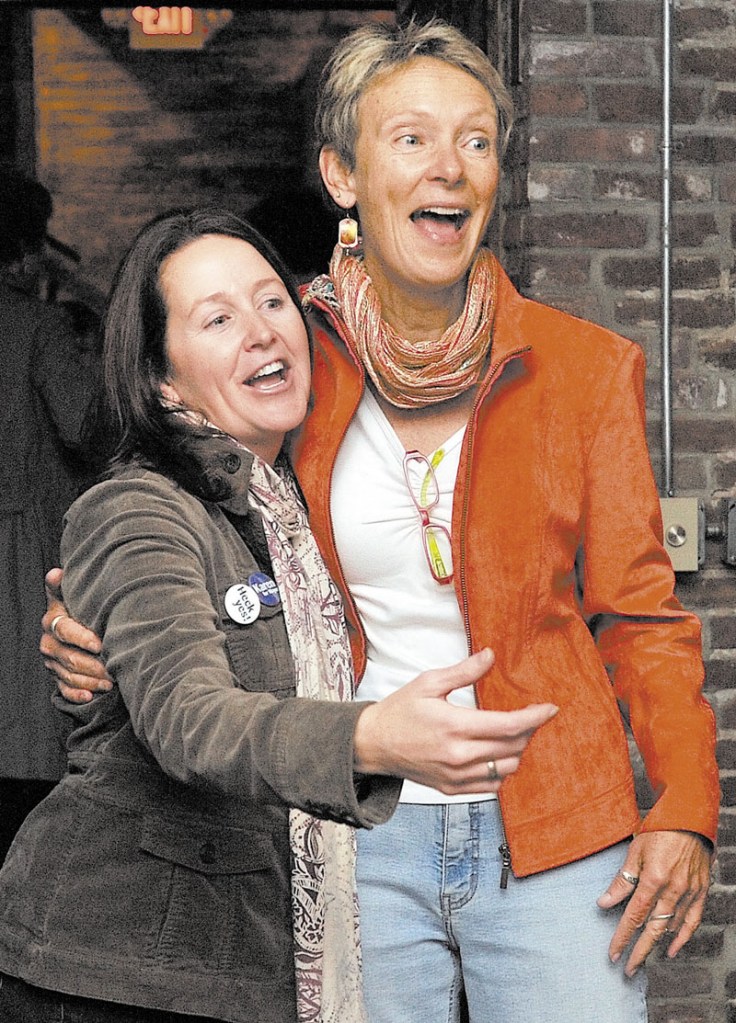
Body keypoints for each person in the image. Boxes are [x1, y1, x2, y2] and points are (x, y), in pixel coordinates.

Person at [42, 19, 720, 1023]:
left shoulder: (583, 371)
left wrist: (687, 810)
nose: (449, 166)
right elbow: (191, 516)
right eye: (410, 138)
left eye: (477, 140)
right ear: (342, 172)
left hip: (556, 827)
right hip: (346, 831)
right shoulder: (288, 357)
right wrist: (101, 645)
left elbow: (638, 616)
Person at [2, 205, 555, 1023]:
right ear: (160, 376)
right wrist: (371, 737)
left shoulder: (299, 511)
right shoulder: (137, 509)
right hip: (112, 971)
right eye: (217, 319)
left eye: (270, 302)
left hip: (222, 964)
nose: (261, 332)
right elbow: (190, 719)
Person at [0, 170, 99, 862]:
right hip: (21, 542)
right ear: (25, 251)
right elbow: (82, 422)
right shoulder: (34, 323)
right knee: (26, 731)